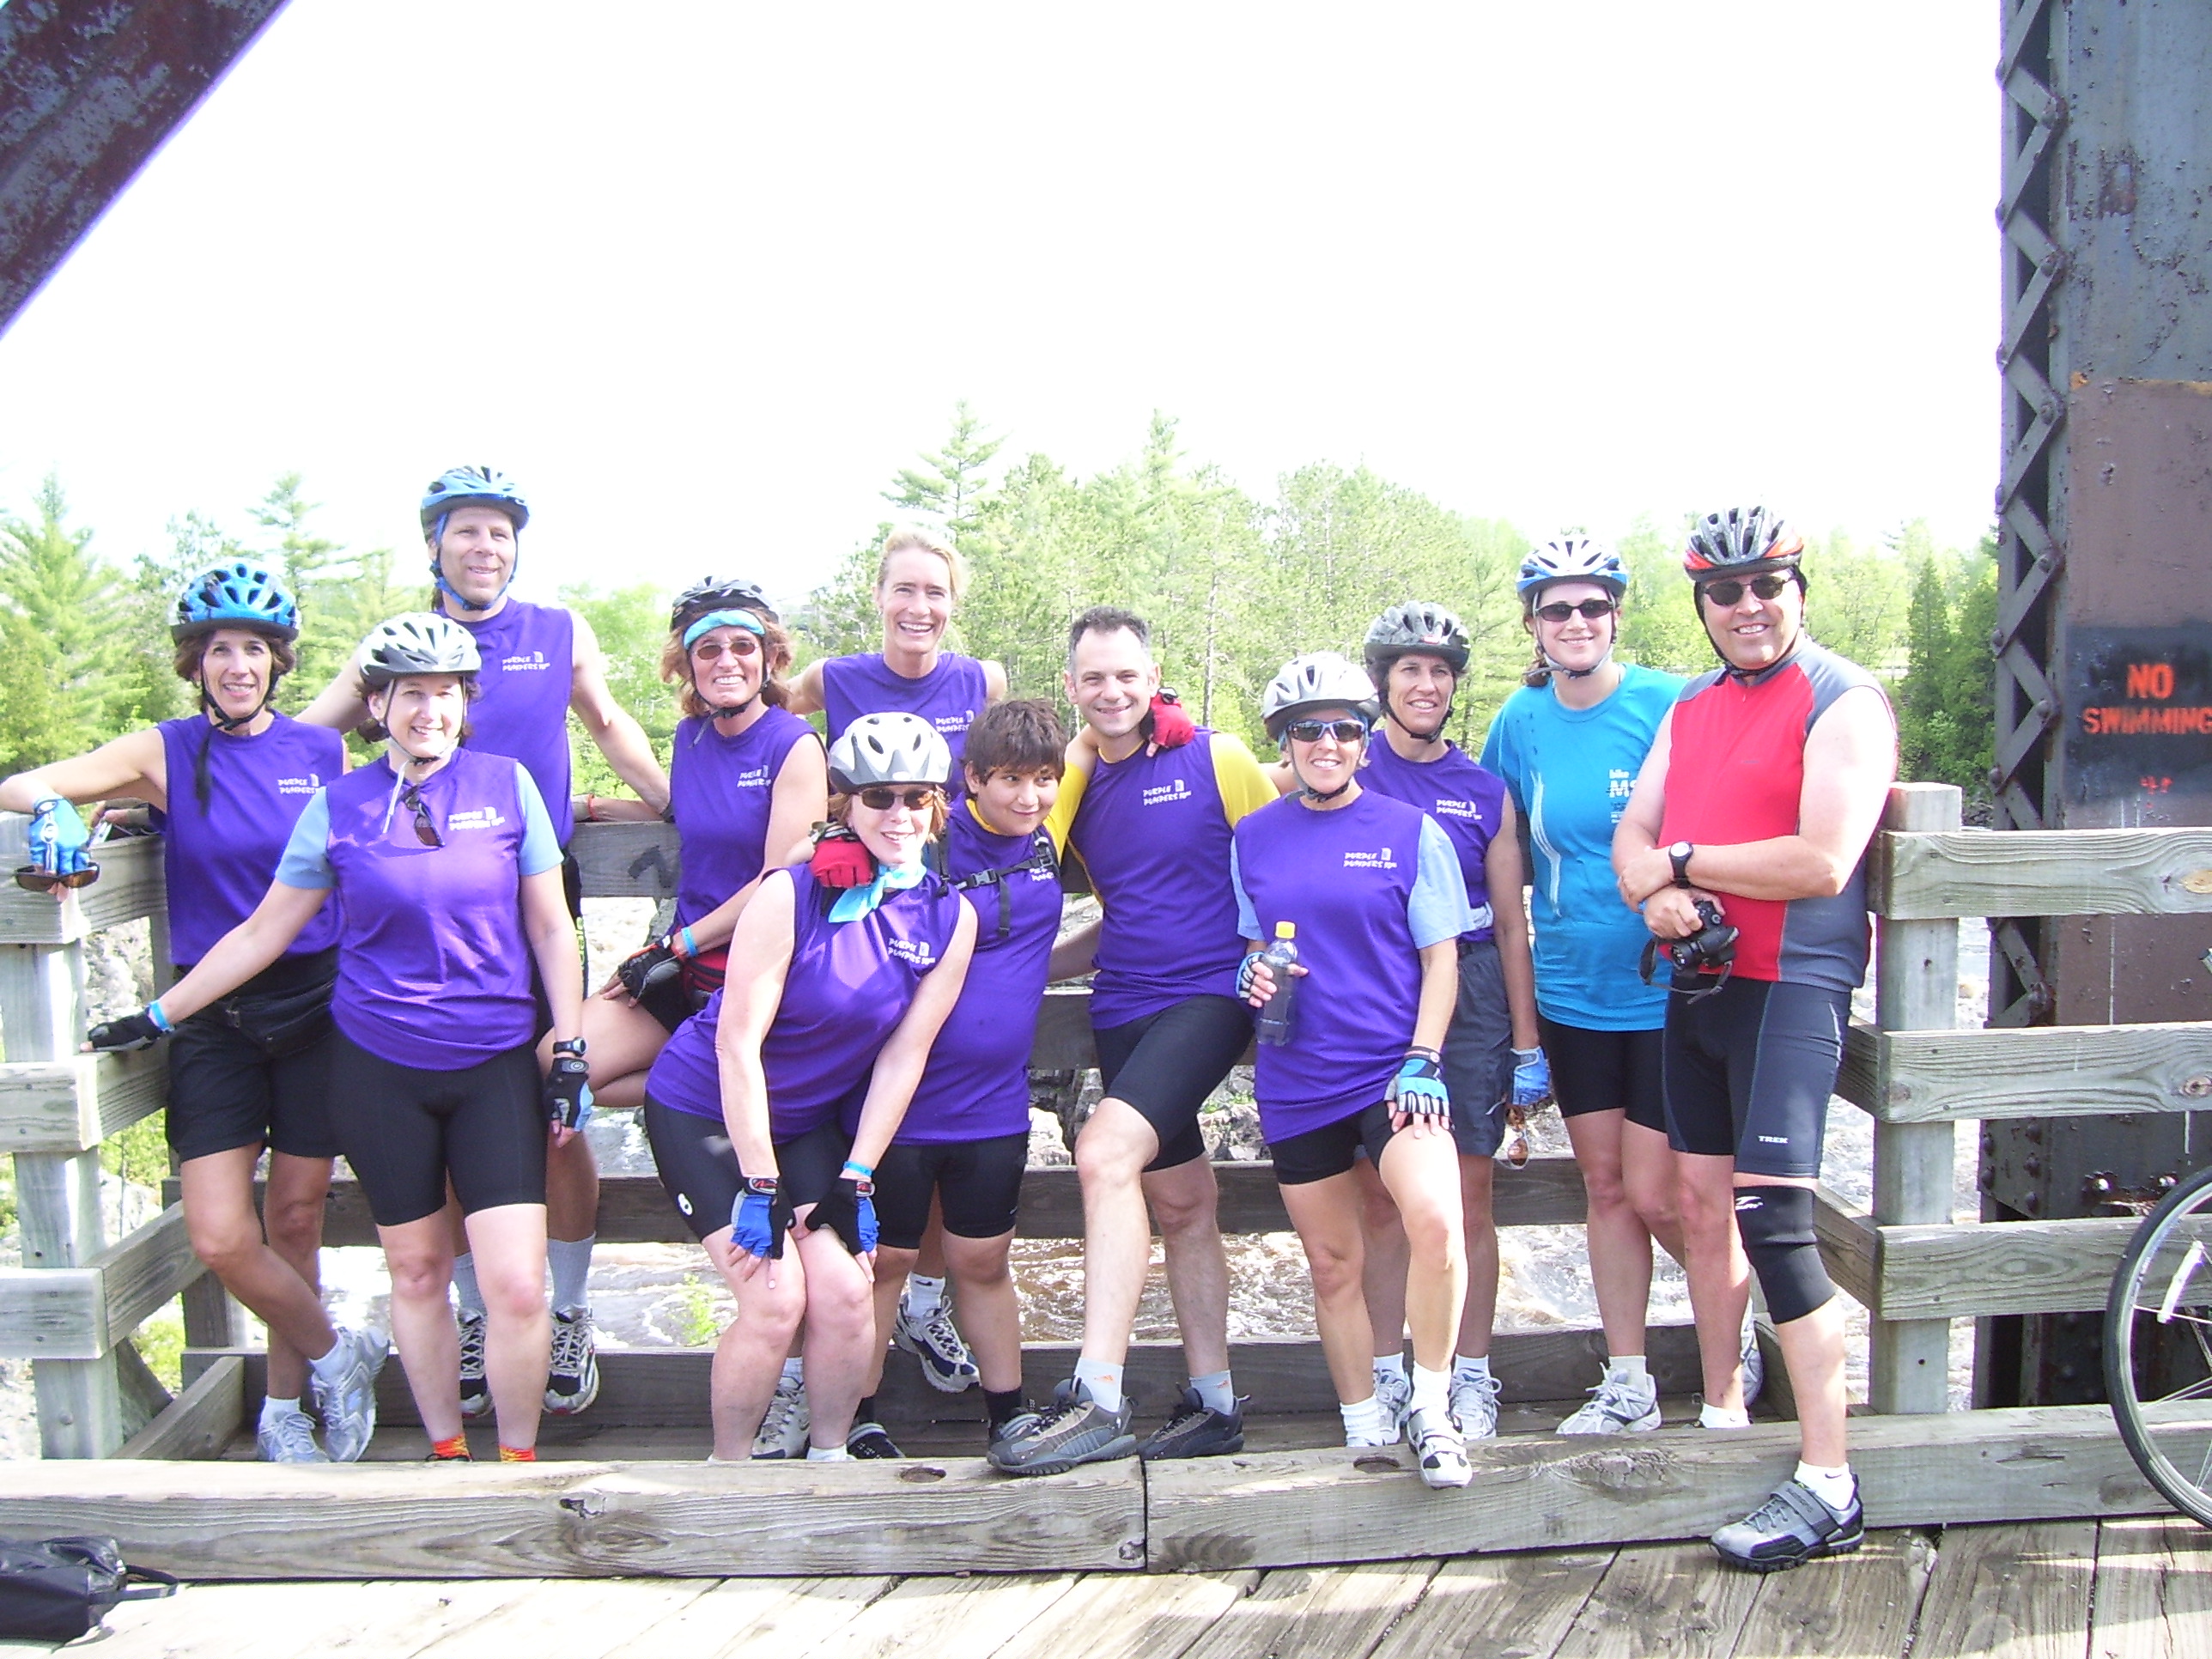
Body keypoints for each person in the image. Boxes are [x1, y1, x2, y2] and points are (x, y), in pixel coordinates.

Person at [88, 612, 592, 1463]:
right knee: (417, 1273)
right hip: (378, 1071)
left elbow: (550, 928)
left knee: (514, 1284)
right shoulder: (339, 806)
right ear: (378, 706)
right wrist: (161, 1013)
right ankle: (447, 1455)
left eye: (444, 693)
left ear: (464, 702)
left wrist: (570, 1048)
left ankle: (516, 1468)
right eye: (409, 694)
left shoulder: (508, 786)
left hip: (493, 1064)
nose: (428, 710)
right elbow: (263, 932)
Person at [301, 466, 670, 1423]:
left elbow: (609, 723)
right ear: (433, 545)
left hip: (532, 896)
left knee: (557, 1100)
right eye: (465, 531)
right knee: (450, 1113)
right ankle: (476, 1315)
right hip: (422, 914)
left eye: (499, 532)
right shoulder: (395, 646)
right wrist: (175, 801)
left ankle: (571, 1309)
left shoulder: (559, 630)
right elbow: (302, 740)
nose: (483, 547)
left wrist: (681, 809)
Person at [0, 562, 381, 1462]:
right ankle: (339, 1355)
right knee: (219, 1234)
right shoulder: (163, 752)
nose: (238, 665)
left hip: (318, 1003)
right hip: (210, 1010)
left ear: (279, 662)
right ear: (195, 663)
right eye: (219, 650)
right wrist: (57, 811)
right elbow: (19, 783)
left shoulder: (321, 753)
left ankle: (284, 1407)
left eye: (254, 649)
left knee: (295, 1219)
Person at [1613, 507, 1896, 1571]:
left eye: (1765, 585)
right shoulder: (1691, 705)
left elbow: (1821, 860)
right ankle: (1724, 1413)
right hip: (1699, 984)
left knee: (1773, 1225)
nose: (1746, 606)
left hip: (1788, 988)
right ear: (1702, 607)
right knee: (1697, 1206)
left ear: (1797, 591)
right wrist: (1651, 889)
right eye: (1723, 592)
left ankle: (1829, 1482)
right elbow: (1630, 832)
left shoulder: (1840, 698)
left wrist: (1681, 864)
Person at [639, 712, 976, 1461]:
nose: (899, 815)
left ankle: (828, 1463)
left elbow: (904, 1056)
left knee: (850, 1292)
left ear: (938, 808)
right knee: (775, 1298)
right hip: (706, 1109)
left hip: (804, 1124)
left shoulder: (949, 917)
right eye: (879, 797)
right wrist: (761, 1183)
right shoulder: (790, 895)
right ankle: (727, 1475)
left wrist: (857, 1176)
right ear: (846, 806)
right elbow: (736, 1042)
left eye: (917, 798)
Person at [990, 606, 1274, 1476]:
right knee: (1182, 1204)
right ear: (1071, 687)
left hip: (1210, 995)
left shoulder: (1216, 757)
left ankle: (1098, 1397)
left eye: (1126, 675)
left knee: (1103, 1150)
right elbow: (1051, 864)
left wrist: (1282, 963)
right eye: (1093, 678)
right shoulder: (1074, 781)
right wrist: (1027, 969)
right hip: (1121, 1003)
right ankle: (1214, 1404)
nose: (1111, 692)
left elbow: (1285, 858)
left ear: (1153, 678)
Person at [1231, 653, 1477, 1488]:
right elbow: (1255, 946)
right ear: (1285, 743)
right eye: (1308, 730)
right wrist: (1252, 974)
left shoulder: (1410, 831)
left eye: (1343, 728)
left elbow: (1441, 960)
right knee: (1333, 1265)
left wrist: (1424, 1058)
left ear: (1364, 739)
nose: (1327, 743)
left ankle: (1432, 1408)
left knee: (1434, 1224)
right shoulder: (1253, 836)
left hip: (1392, 1073)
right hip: (1297, 1079)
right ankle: (1362, 1426)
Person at [787, 524, 1006, 1393]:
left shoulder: (981, 679)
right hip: (859, 919)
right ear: (878, 596)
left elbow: (1014, 768)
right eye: (904, 589)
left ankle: (922, 1298)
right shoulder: (831, 678)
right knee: (869, 1105)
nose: (919, 607)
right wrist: (822, 835)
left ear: (953, 605)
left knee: (943, 1099)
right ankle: (835, 1327)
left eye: (935, 593)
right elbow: (762, 735)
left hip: (951, 911)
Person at [844, 698, 1089, 1457]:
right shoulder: (929, 839)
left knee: (983, 1260)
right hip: (901, 1103)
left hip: (995, 1103)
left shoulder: (1048, 837)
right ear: (972, 778)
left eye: (1043, 780)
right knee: (885, 1261)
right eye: (1010, 779)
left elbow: (1104, 749)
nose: (1029, 796)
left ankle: (1007, 1413)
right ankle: (855, 1416)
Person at [1348, 601, 1543, 1447]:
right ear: (1381, 682)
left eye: (1439, 672)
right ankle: (1387, 1371)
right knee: (1379, 1199)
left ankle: (1468, 1372)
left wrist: (1526, 1044)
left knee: (1467, 1195)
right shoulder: (1346, 760)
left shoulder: (1482, 791)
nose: (1425, 686)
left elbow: (1510, 927)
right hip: (1374, 989)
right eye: (1409, 671)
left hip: (1468, 995)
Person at [571, 577, 825, 1097]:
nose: (726, 660)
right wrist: (592, 807)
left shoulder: (794, 745)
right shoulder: (693, 737)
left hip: (754, 972)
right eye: (708, 648)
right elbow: (687, 811)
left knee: (710, 1080)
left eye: (743, 646)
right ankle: (704, 1080)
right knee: (563, 1065)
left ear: (769, 657)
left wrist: (673, 947)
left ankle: (706, 1086)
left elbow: (779, 882)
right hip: (686, 963)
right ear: (687, 664)